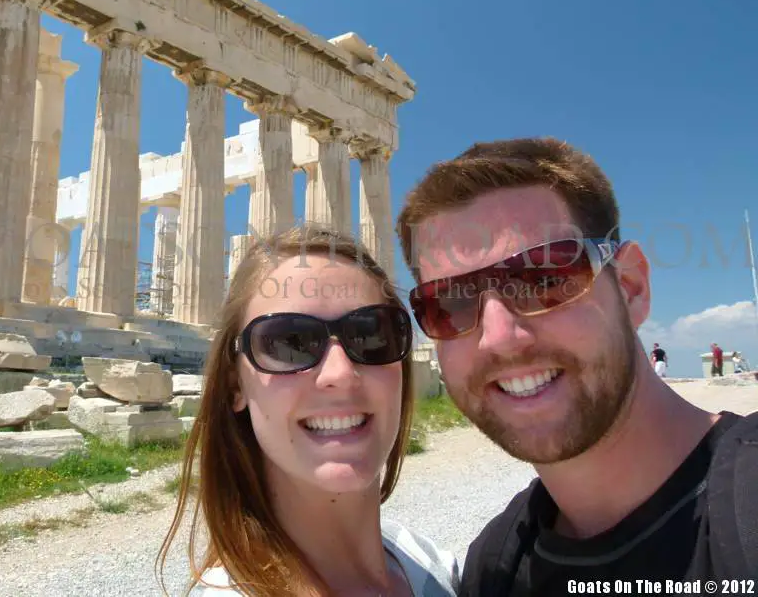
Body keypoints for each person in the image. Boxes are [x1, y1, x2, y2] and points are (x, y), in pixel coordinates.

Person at [394, 137, 758, 591]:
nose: (499, 337)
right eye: (450, 303)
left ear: (630, 287)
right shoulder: (493, 566)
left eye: (544, 278)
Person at [155, 225, 459, 597]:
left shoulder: (434, 566)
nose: (340, 374)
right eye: (289, 342)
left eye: (372, 333)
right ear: (236, 385)